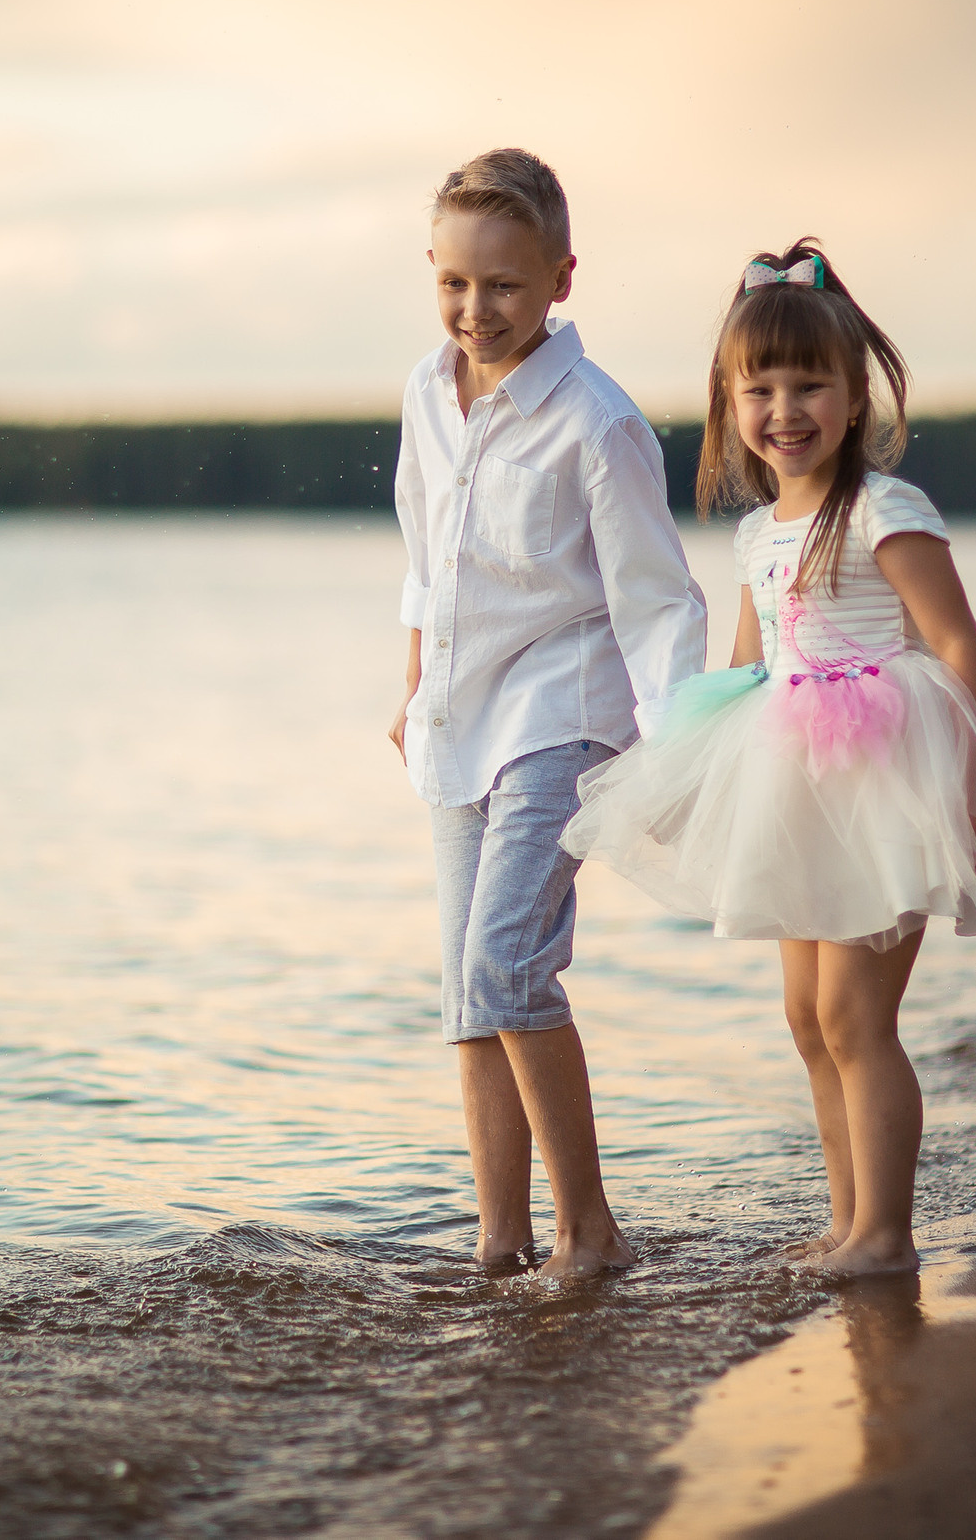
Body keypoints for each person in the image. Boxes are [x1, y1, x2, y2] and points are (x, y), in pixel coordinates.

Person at [561, 240, 976, 1276]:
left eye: (810, 385)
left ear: (856, 399)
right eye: (760, 388)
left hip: (882, 782)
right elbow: (747, 671)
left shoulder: (881, 510)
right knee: (806, 1018)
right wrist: (688, 777)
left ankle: (887, 1234)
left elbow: (956, 645)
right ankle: (845, 1218)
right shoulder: (756, 535)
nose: (785, 409)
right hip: (791, 787)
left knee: (855, 1015)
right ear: (729, 403)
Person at [390, 148, 708, 1280]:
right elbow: (425, 557)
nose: (476, 309)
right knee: (469, 996)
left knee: (507, 965)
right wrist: (412, 685)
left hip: (560, 717)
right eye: (454, 283)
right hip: (456, 721)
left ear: (561, 279)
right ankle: (499, 1243)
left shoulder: (598, 422)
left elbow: (657, 601)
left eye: (504, 285)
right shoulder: (426, 394)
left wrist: (678, 756)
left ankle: (591, 1232)